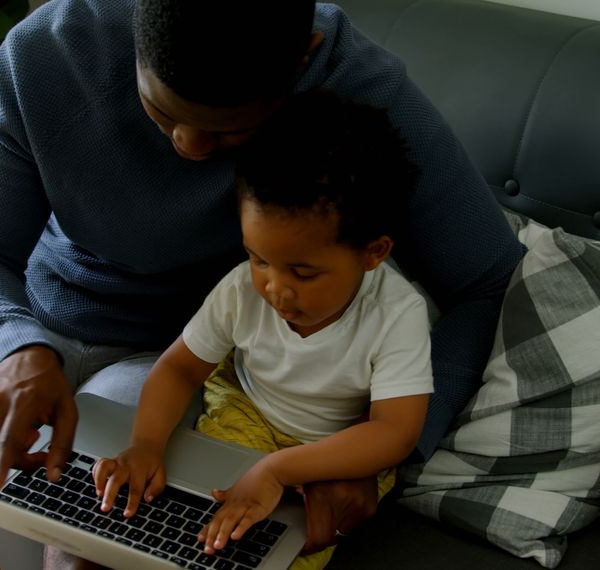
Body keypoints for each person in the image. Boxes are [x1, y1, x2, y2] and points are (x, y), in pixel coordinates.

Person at [0, 0, 524, 568]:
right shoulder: (48, 52)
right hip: (31, 318)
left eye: (230, 132)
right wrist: (13, 344)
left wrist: (390, 456)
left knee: (85, 550)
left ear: (302, 59)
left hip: (185, 360)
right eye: (163, 113)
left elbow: (485, 274)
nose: (190, 149)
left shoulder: (364, 90)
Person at [93, 91, 433, 570]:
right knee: (191, 528)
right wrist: (146, 444)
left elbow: (394, 433)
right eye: (258, 259)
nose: (274, 289)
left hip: (337, 449)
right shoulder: (241, 290)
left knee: (276, 556)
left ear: (373, 253)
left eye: (303, 273)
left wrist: (278, 469)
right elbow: (179, 370)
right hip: (248, 410)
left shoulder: (397, 314)